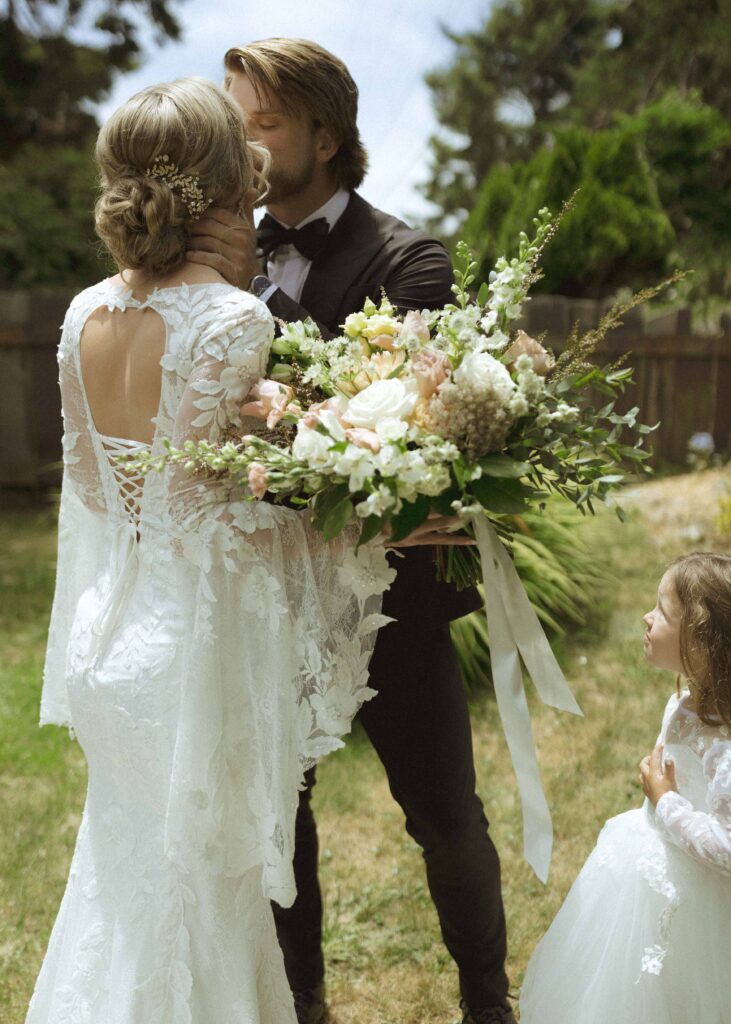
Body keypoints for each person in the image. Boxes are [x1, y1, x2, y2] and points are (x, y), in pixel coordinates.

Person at [26, 76, 410, 1024]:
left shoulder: (81, 315)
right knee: (202, 897)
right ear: (221, 180)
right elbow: (232, 502)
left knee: (118, 888)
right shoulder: (234, 319)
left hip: (103, 640)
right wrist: (364, 495)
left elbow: (91, 490)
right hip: (185, 659)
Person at [186, 38, 515, 1024]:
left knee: (445, 813)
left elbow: (402, 424)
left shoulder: (407, 258)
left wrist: (275, 393)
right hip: (259, 593)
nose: (240, 140)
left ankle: (483, 999)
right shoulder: (208, 257)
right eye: (231, 118)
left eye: (263, 121)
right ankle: (303, 1002)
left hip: (388, 598)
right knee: (277, 819)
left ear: (324, 134)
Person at [519, 552, 731, 1024]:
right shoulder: (684, 701)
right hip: (651, 866)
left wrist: (666, 801)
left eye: (661, 609)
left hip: (706, 903)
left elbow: (727, 845)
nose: (646, 616)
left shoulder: (727, 750)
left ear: (699, 638)